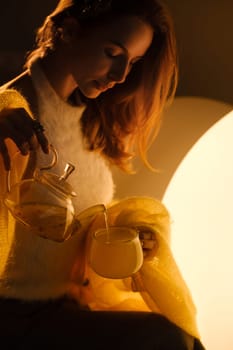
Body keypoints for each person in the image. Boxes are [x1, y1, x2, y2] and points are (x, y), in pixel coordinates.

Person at [0, 0, 206, 348]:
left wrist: (130, 234)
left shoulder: (87, 119)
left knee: (178, 335)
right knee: (164, 339)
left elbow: (69, 225)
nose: (121, 75)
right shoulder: (10, 115)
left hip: (68, 305)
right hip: (13, 315)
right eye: (113, 52)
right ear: (67, 31)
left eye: (134, 62)